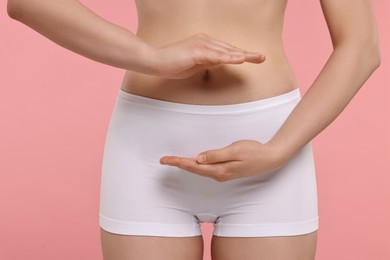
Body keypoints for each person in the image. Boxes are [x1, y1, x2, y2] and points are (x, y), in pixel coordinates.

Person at [7, 0, 380, 259]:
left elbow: (361, 45)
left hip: (271, 148)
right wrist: (149, 56)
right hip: (149, 149)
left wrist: (279, 150)